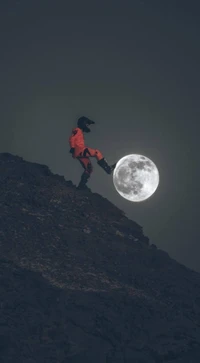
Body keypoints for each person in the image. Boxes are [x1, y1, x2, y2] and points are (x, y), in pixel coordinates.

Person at [69, 116, 116, 190]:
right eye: (86, 124)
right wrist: (72, 147)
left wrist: (90, 123)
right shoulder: (77, 130)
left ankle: (81, 185)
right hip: (80, 150)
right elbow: (72, 138)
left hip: (78, 153)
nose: (87, 126)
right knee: (97, 152)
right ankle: (108, 169)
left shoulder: (80, 131)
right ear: (83, 124)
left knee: (89, 168)